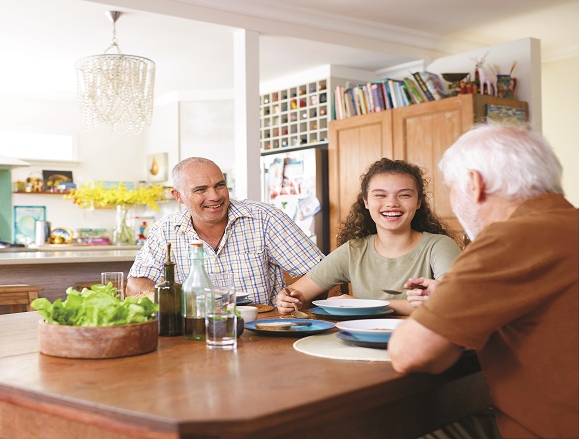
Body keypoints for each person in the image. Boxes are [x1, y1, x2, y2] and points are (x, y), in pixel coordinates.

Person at [389, 123, 579, 438]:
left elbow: (412, 353)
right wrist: (456, 293)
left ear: (474, 184)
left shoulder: (510, 237)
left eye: (451, 188)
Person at [275, 158, 461, 316]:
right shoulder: (354, 250)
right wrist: (288, 298)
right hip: (360, 343)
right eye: (380, 195)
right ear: (366, 201)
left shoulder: (439, 246)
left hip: (421, 344)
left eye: (404, 195)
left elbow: (452, 299)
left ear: (419, 202)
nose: (391, 204)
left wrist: (361, 304)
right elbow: (298, 292)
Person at [126, 157, 324, 304]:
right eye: (201, 190)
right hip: (193, 332)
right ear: (178, 196)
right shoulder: (164, 230)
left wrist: (293, 295)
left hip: (261, 330)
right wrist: (178, 299)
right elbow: (135, 285)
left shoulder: (265, 219)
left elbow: (322, 273)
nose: (214, 196)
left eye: (219, 185)